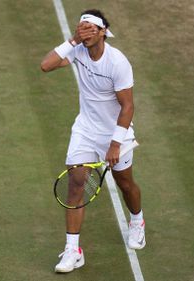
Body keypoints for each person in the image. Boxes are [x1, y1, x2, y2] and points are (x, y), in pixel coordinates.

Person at [40, 9, 145, 273]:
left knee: (125, 182)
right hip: (85, 129)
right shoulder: (78, 49)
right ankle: (73, 250)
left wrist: (115, 143)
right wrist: (73, 40)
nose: (84, 32)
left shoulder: (117, 62)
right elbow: (46, 65)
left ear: (102, 32)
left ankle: (137, 221)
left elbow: (128, 106)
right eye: (81, 28)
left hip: (115, 132)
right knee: (76, 183)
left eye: (89, 29)